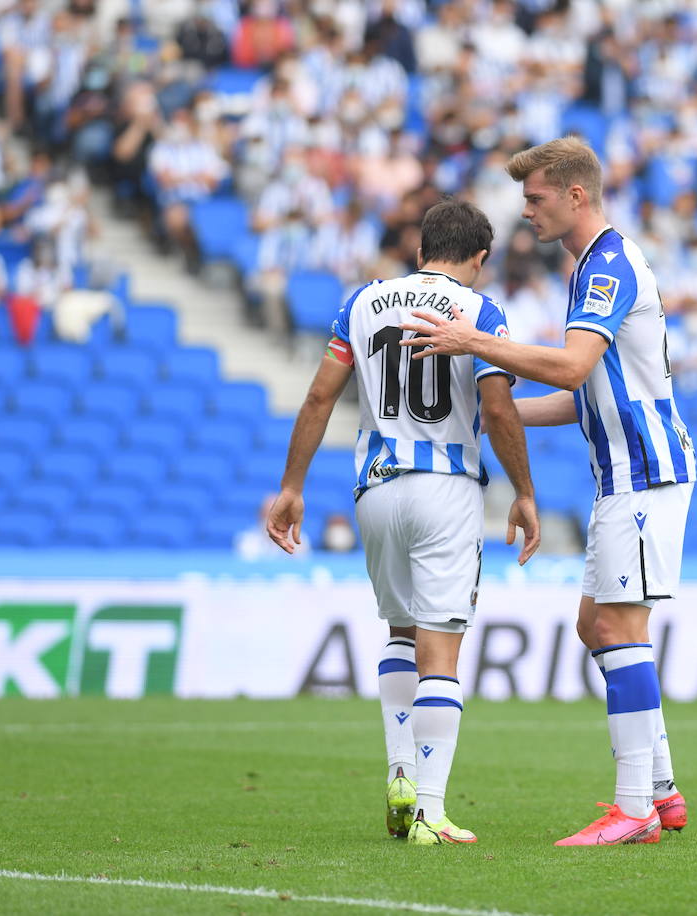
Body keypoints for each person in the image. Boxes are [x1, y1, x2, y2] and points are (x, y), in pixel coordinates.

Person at [402, 137, 696, 847]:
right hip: (624, 476)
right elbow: (581, 397)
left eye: (534, 197)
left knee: (620, 630)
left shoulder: (605, 268)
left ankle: (634, 809)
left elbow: (568, 368)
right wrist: (489, 416)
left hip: (643, 476)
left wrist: (474, 343)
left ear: (575, 195)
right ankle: (660, 789)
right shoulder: (596, 267)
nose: (524, 211)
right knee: (595, 625)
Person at [266, 198, 541, 847]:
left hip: (377, 488)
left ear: (420, 250)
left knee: (399, 631)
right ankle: (431, 810)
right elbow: (500, 413)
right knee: (440, 651)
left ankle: (398, 773)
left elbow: (318, 397)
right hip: (445, 489)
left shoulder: (362, 302)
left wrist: (291, 487)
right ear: (480, 259)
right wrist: (525, 491)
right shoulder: (482, 312)